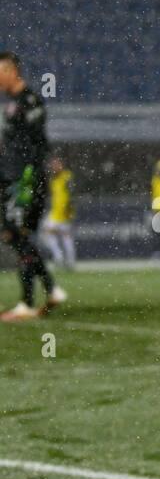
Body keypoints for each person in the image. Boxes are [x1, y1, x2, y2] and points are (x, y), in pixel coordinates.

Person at [0, 51, 65, 322]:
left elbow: (36, 140)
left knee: (18, 234)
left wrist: (36, 170)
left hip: (25, 179)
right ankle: (50, 290)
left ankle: (29, 302)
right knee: (14, 235)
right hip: (12, 177)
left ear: (12, 71)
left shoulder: (29, 101)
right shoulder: (12, 103)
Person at [39, 157, 75, 270]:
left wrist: (69, 209)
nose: (54, 167)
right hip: (55, 212)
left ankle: (66, 260)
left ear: (61, 165)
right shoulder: (54, 179)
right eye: (53, 165)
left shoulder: (66, 176)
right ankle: (61, 257)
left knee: (65, 236)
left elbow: (71, 193)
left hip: (64, 212)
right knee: (51, 234)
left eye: (56, 165)